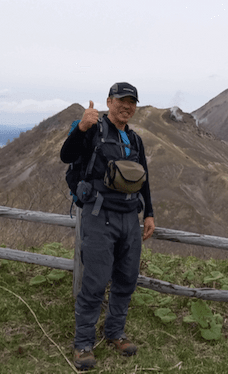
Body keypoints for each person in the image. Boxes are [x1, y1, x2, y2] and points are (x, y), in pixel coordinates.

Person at [60, 82, 155, 370]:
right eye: (121, 100)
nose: (127, 106)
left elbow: (144, 179)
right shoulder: (93, 129)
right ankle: (84, 343)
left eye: (132, 102)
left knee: (126, 279)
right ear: (108, 101)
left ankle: (115, 333)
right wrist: (81, 129)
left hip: (129, 217)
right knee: (96, 281)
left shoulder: (135, 140)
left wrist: (148, 213)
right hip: (99, 215)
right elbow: (66, 156)